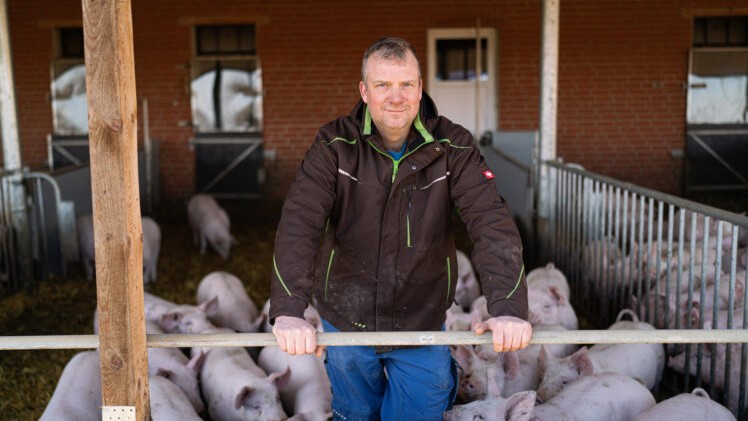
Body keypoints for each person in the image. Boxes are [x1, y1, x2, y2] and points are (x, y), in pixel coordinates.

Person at [270, 37, 531, 420]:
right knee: (356, 413)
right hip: (345, 317)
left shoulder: (452, 146)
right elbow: (299, 222)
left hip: (421, 317)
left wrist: (508, 307)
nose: (396, 97)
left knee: (420, 410)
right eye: (382, 85)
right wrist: (290, 309)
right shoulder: (334, 145)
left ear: (420, 88)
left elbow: (490, 220)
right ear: (364, 91)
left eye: (406, 84)